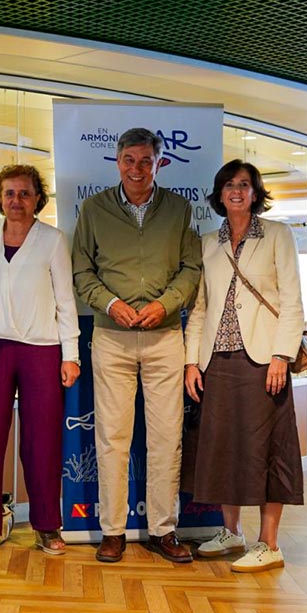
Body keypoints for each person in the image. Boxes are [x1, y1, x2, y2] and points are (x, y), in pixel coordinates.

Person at [72, 127, 201, 564]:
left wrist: (166, 304)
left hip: (166, 337)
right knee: (112, 438)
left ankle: (164, 530)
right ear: (117, 161)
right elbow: (81, 272)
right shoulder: (94, 209)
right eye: (129, 159)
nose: (137, 168)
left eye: (146, 160)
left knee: (167, 438)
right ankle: (113, 532)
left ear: (159, 162)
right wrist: (110, 303)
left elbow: (191, 269)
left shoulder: (180, 209)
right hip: (111, 337)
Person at [0, 165, 81, 563]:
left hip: (42, 349)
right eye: (9, 193)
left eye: (24, 193)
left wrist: (70, 355)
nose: (16, 201)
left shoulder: (52, 241)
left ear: (38, 198)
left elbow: (66, 300)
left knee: (42, 442)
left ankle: (46, 525)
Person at [184, 160, 305, 573]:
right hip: (217, 361)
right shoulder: (207, 243)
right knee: (222, 449)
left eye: (245, 184)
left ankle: (268, 543)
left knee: (270, 450)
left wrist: (281, 356)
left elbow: (291, 300)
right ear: (219, 194)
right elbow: (199, 307)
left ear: (256, 193)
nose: (236, 191)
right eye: (229, 185)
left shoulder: (277, 235)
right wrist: (191, 362)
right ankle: (231, 532)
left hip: (263, 361)